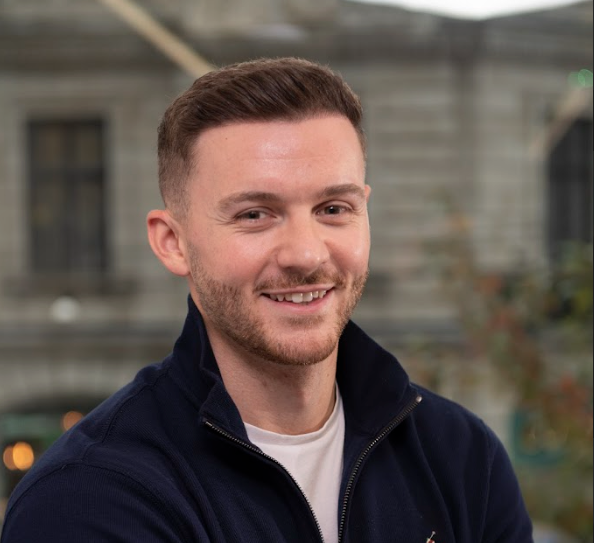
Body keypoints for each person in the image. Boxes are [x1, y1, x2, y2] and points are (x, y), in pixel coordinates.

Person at [0, 58, 534, 542]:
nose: (306, 253)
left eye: (333, 208)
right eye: (255, 215)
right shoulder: (87, 498)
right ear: (173, 242)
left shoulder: (460, 457)